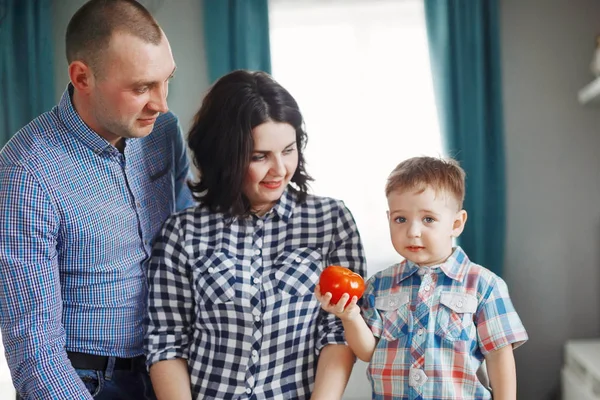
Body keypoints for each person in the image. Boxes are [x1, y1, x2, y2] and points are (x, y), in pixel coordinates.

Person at [0, 0, 194, 398]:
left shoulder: (162, 133)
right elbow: (34, 351)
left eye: (165, 80)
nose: (161, 103)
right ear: (82, 77)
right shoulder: (26, 174)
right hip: (86, 381)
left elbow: (187, 244)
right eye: (141, 87)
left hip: (172, 365)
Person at [144, 69, 367, 399]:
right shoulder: (182, 233)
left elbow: (338, 331)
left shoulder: (331, 221)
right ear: (225, 157)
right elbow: (167, 340)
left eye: (288, 150)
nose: (279, 170)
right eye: (259, 156)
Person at [316, 156, 528, 400]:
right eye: (400, 219)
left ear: (456, 224)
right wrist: (350, 316)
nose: (412, 232)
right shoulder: (379, 285)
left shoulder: (484, 286)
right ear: (389, 220)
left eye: (428, 219)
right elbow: (368, 352)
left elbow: (499, 356)